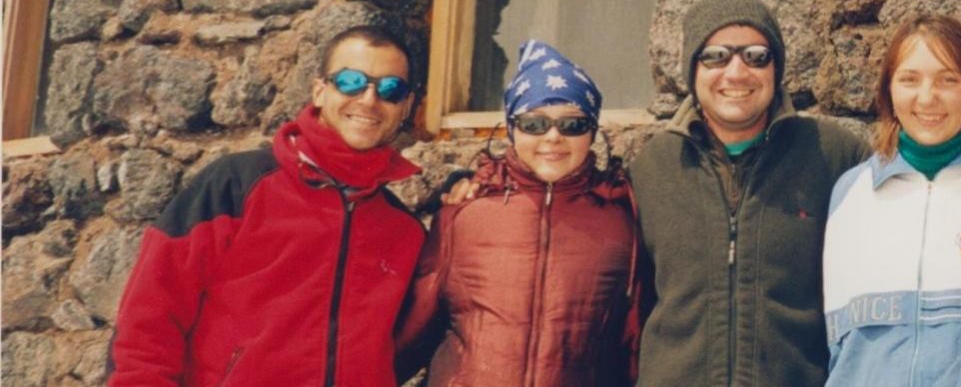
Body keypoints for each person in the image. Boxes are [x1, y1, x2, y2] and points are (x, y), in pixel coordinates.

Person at [108, 26, 425, 387]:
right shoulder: (236, 186)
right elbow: (148, 317)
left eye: (390, 89)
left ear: (407, 107)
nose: (369, 100)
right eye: (351, 82)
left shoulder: (404, 232)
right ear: (320, 90)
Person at [627, 0, 871, 387]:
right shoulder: (653, 169)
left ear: (777, 69)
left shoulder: (836, 158)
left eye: (756, 56)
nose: (736, 72)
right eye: (716, 56)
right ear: (692, 71)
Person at [394, 40, 641, 386]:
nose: (553, 137)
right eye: (534, 124)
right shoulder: (464, 214)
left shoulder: (621, 220)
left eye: (572, 125)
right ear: (511, 128)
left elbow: (633, 346)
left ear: (593, 132)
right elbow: (411, 333)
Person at [823, 14, 961, 387]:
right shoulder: (851, 193)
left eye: (948, 80)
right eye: (909, 80)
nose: (927, 98)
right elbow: (840, 348)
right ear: (889, 90)